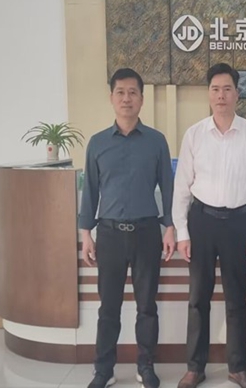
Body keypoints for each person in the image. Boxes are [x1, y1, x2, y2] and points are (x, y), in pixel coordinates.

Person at [172, 63, 246, 388]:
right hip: (201, 222)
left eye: (227, 89)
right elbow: (182, 187)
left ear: (237, 94)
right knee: (198, 298)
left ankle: (238, 367)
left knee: (236, 299)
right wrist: (182, 232)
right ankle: (194, 367)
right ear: (208, 94)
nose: (221, 95)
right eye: (215, 89)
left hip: (239, 224)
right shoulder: (194, 135)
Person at [79, 68, 175, 388]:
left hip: (147, 233)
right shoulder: (97, 143)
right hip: (108, 235)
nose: (126, 98)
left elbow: (168, 187)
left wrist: (170, 226)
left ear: (141, 99)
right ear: (111, 98)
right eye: (120, 92)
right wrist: (85, 234)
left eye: (133, 92)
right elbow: (90, 191)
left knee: (147, 307)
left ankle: (145, 366)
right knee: (109, 307)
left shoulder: (156, 141)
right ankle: (103, 369)